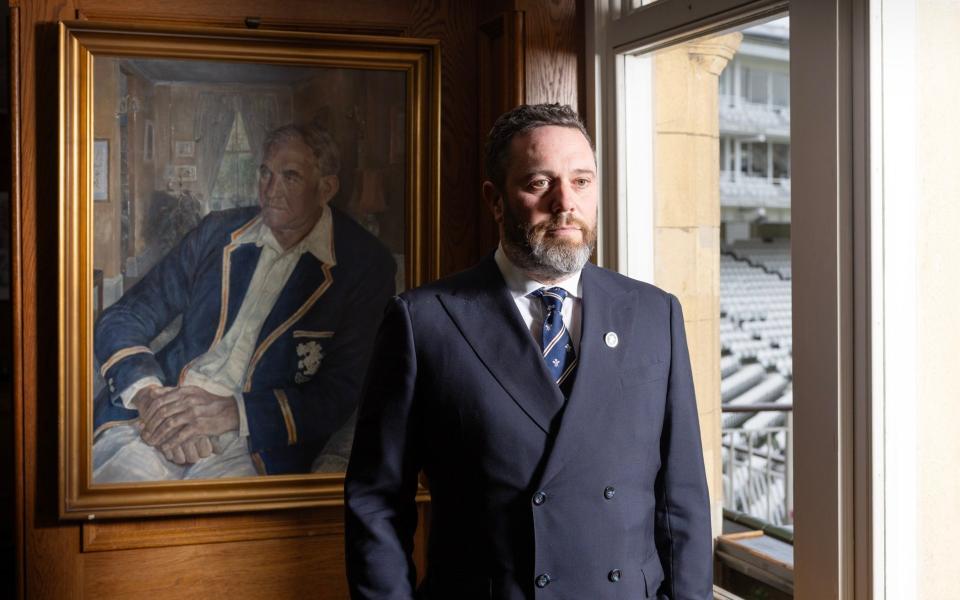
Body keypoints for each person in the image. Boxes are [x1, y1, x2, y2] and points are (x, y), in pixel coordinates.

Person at [344, 104, 712, 599]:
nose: (566, 203)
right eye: (540, 183)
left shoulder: (653, 313)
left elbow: (682, 498)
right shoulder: (423, 320)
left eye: (582, 181)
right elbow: (377, 500)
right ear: (495, 200)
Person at [92, 122, 396, 481]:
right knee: (116, 488)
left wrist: (231, 413)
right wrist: (150, 397)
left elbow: (341, 391)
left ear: (326, 188)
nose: (271, 190)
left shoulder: (364, 264)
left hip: (256, 443)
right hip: (163, 407)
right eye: (265, 173)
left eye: (290, 177)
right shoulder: (217, 232)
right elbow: (126, 315)